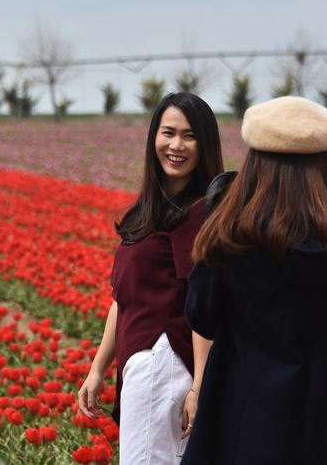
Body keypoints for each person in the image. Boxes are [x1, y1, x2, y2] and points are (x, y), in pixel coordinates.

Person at [182, 96, 327, 465]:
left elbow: (203, 317)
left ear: (255, 166)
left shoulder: (233, 235)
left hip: (248, 420)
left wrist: (214, 223)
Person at [77, 92, 224, 464]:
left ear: (205, 144)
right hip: (141, 363)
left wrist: (199, 388)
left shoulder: (200, 215)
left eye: (189, 136)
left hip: (167, 364)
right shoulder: (148, 212)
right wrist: (98, 369)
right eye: (168, 132)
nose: (176, 145)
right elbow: (123, 300)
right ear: (153, 138)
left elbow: (203, 306)